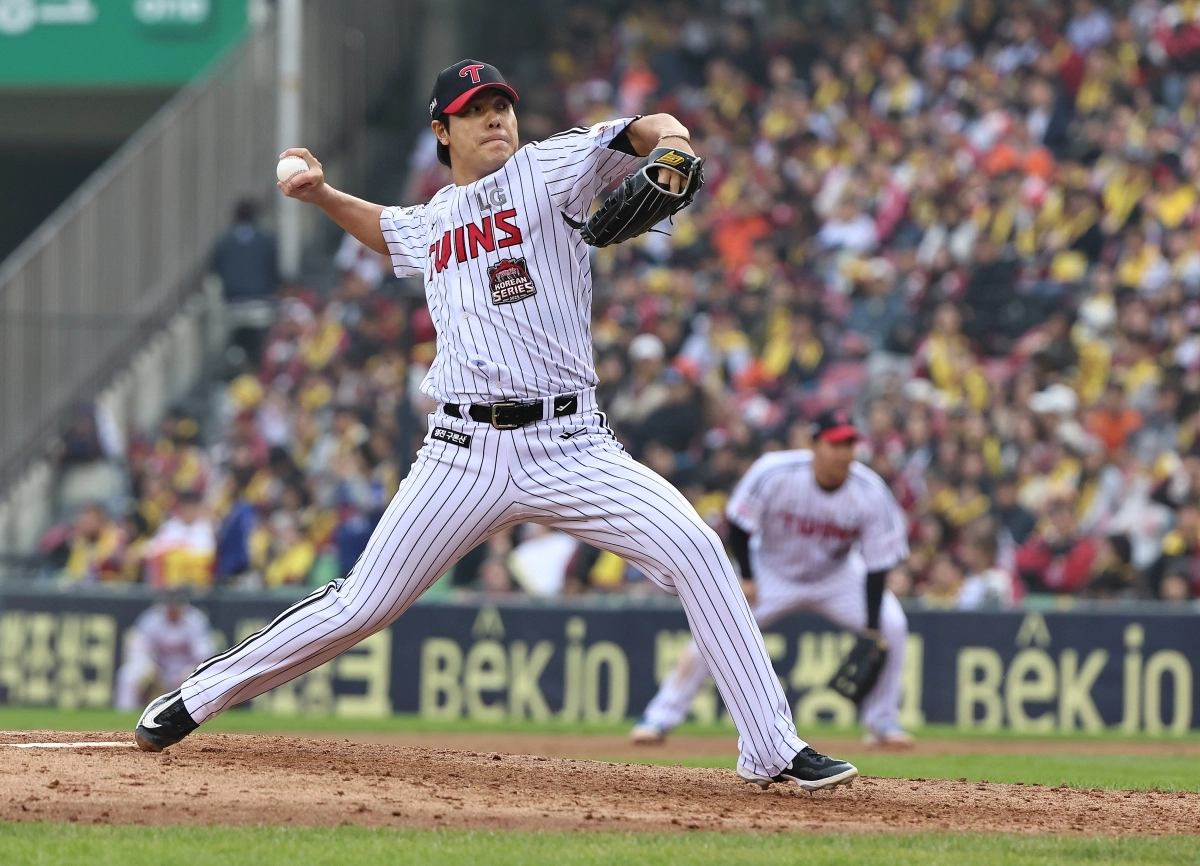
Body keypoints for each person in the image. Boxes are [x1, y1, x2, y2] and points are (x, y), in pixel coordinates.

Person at [136, 59, 857, 792]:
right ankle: (197, 696)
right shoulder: (436, 218)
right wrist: (321, 195)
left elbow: (652, 129)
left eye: (502, 106)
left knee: (698, 551)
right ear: (442, 130)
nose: (494, 118)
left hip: (570, 444)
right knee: (362, 605)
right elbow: (389, 231)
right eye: (475, 109)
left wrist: (673, 146)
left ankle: (771, 747)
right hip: (462, 452)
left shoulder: (548, 169)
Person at [631, 409, 914, 748]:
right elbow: (739, 524)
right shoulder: (776, 471)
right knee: (717, 624)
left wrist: (870, 627)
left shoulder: (870, 490)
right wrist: (748, 577)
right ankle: (660, 716)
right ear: (813, 444)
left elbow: (877, 564)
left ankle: (883, 721)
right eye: (835, 444)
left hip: (836, 576)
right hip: (770, 571)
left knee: (891, 623)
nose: (843, 453)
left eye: (849, 444)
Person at [115, 593, 213, 712]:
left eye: (176, 606)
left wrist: (188, 672)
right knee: (128, 674)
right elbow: (137, 651)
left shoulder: (195, 620)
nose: (173, 610)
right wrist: (151, 668)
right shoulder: (151, 619)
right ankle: (126, 714)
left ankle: (204, 714)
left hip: (185, 670)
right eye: (170, 606)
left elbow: (204, 655)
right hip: (158, 669)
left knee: (206, 675)